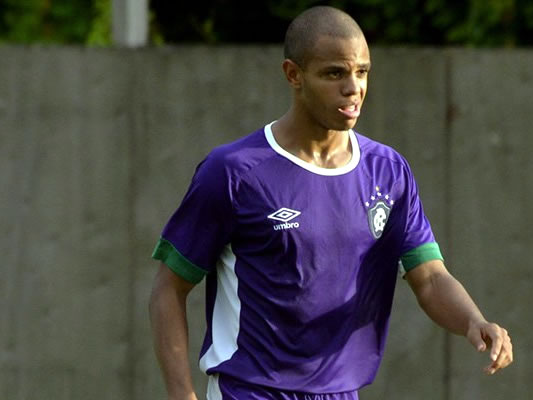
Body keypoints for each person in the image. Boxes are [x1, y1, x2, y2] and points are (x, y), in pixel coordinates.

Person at [149, 6, 513, 400]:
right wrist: (181, 394)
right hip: (249, 391)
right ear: (294, 74)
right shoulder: (234, 171)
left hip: (341, 392)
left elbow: (429, 277)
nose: (353, 87)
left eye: (362, 72)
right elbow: (169, 288)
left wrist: (473, 321)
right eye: (335, 73)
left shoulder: (388, 172)